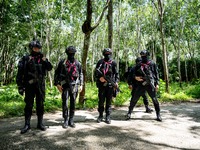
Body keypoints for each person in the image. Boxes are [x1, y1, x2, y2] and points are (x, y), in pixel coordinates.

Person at [16, 40, 53, 134]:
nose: (37, 49)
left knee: (40, 104)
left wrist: (45, 60)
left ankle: (40, 123)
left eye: (38, 48)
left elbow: (49, 68)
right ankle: (27, 125)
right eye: (35, 48)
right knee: (28, 105)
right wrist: (20, 86)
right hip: (29, 85)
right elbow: (20, 73)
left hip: (40, 85)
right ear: (31, 48)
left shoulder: (42, 58)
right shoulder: (26, 58)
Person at [126, 50, 162, 121]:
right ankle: (129, 113)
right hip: (140, 85)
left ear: (148, 55)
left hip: (150, 84)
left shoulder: (152, 64)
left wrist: (157, 84)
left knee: (155, 99)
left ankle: (158, 115)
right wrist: (135, 77)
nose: (143, 57)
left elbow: (156, 74)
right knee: (134, 99)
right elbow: (132, 73)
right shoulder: (139, 64)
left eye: (144, 56)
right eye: (142, 56)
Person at [54, 46, 83, 128]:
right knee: (65, 103)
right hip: (65, 86)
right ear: (67, 53)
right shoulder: (62, 63)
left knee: (73, 103)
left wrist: (81, 84)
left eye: (72, 53)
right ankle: (65, 119)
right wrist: (57, 84)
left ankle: (71, 119)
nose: (71, 55)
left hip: (74, 85)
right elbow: (56, 73)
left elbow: (81, 74)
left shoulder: (77, 63)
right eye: (69, 53)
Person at [95, 48, 119, 124]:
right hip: (102, 85)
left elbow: (116, 74)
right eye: (106, 54)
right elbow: (96, 73)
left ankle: (108, 116)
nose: (107, 55)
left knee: (109, 102)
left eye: (108, 54)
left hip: (110, 85)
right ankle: (100, 115)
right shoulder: (100, 62)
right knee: (101, 101)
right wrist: (100, 78)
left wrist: (116, 82)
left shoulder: (113, 63)